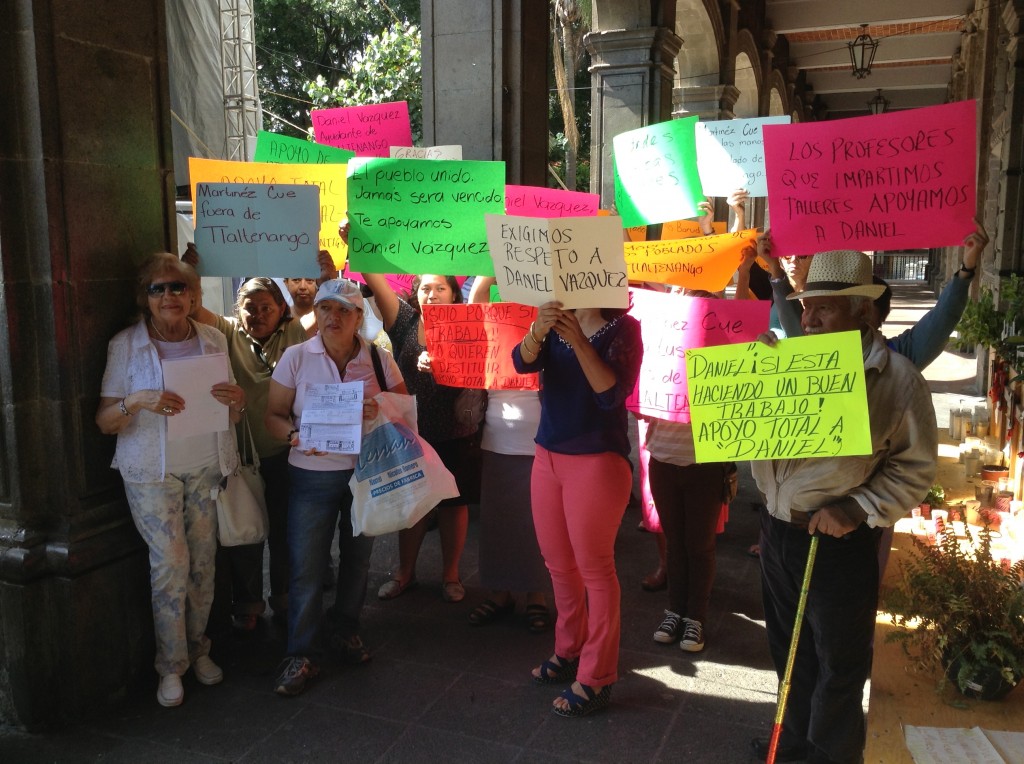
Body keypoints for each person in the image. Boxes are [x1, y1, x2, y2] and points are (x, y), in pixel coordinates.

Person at [749, 250, 937, 763]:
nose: (807, 319)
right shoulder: (785, 359)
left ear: (861, 312)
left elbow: (915, 468)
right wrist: (754, 380)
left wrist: (857, 508)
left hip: (837, 541)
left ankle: (829, 754)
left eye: (824, 309)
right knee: (790, 654)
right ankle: (791, 748)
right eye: (806, 307)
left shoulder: (896, 379)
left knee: (839, 663)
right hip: (779, 531)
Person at [96, 253, 246, 707]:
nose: (168, 296)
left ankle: (199, 648)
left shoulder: (214, 339)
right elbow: (105, 421)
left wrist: (237, 400)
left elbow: (233, 413)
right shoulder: (126, 345)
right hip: (151, 473)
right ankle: (171, 665)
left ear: (193, 294)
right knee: (171, 565)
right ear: (145, 298)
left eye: (177, 287)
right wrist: (137, 400)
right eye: (158, 289)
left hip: (205, 466)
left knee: (203, 563)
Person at [264, 279, 407, 697]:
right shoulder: (295, 357)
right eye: (327, 308)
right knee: (306, 565)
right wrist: (293, 436)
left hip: (366, 472)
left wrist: (379, 408)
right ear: (318, 313)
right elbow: (272, 415)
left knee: (359, 558)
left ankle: (345, 629)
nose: (334, 317)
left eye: (344, 310)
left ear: (360, 317)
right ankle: (301, 652)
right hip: (311, 473)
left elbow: (404, 411)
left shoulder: (379, 360)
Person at [513, 298, 643, 718]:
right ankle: (568, 650)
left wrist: (579, 340)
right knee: (558, 564)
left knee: (595, 570)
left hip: (597, 462)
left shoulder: (625, 328)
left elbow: (611, 394)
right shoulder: (552, 319)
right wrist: (539, 329)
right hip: (547, 455)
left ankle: (597, 677)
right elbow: (521, 363)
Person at [340, 217, 477, 604]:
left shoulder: (469, 324)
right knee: (412, 503)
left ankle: (451, 575)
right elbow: (375, 276)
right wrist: (357, 241)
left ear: (454, 293)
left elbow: (486, 367)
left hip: (455, 432)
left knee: (454, 503)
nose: (431, 294)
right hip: (411, 432)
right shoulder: (403, 321)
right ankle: (405, 574)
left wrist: (449, 366)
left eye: (440, 288)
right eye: (425, 288)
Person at [186, 243, 314, 628]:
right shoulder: (226, 332)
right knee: (243, 533)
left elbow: (314, 312)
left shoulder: (294, 332)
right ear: (237, 310)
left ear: (281, 310)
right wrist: (189, 269)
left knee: (284, 533)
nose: (257, 314)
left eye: (266, 307)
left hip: (284, 454)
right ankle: (248, 605)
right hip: (239, 457)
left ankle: (285, 599)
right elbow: (190, 306)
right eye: (250, 307)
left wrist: (323, 272)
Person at [646, 249, 759, 653]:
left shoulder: (718, 335)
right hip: (662, 456)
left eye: (692, 287)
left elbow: (741, 328)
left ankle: (695, 617)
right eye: (676, 287)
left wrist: (744, 275)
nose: (683, 293)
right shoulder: (656, 333)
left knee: (699, 544)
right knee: (674, 542)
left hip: (704, 461)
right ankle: (675, 611)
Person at [464, 277, 550, 632]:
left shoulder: (550, 329)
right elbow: (477, 301)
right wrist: (491, 264)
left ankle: (536, 596)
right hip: (496, 438)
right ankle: (499, 592)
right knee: (497, 523)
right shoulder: (492, 326)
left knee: (538, 524)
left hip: (542, 442)